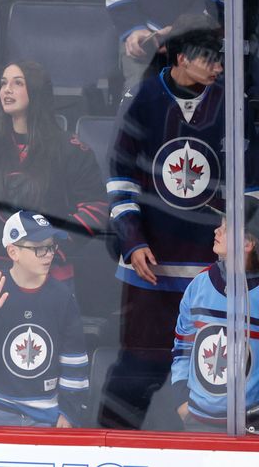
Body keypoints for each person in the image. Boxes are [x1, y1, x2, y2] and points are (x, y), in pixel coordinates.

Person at [101, 23, 257, 429]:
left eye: (220, 59)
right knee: (140, 365)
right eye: (208, 58)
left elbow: (252, 182)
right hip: (149, 270)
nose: (218, 68)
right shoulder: (144, 99)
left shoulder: (231, 102)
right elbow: (121, 179)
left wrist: (238, 244)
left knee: (210, 369)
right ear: (181, 58)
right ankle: (117, 443)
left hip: (210, 268)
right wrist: (132, 240)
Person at [0, 61, 107, 283]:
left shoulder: (70, 149)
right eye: (3, 83)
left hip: (49, 272)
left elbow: (96, 210)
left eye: (18, 83)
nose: (7, 90)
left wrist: (52, 248)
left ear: (36, 90)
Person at [0, 211, 89, 428]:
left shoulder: (62, 297)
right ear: (13, 251)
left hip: (48, 417)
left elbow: (74, 360)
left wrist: (69, 413)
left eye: (51, 247)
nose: (49, 255)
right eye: (39, 248)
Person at [171, 197, 259, 432]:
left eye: (226, 227)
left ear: (248, 243)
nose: (217, 230)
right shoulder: (200, 284)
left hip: (249, 427)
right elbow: (182, 344)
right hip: (196, 422)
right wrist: (181, 399)